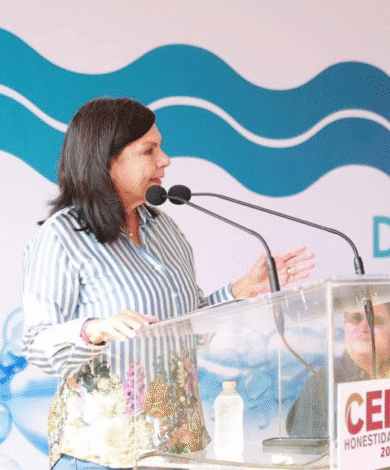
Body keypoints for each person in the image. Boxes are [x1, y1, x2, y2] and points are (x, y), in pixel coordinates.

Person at [21, 97, 315, 470]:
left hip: (179, 449)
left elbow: (186, 321)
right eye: (149, 150)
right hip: (103, 455)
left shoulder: (164, 228)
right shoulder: (62, 237)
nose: (165, 160)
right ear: (107, 160)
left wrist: (243, 288)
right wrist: (95, 330)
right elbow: (36, 344)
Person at [286, 299, 390, 437]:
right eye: (355, 319)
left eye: (374, 320)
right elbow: (310, 451)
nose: (363, 327)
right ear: (345, 329)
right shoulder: (322, 385)